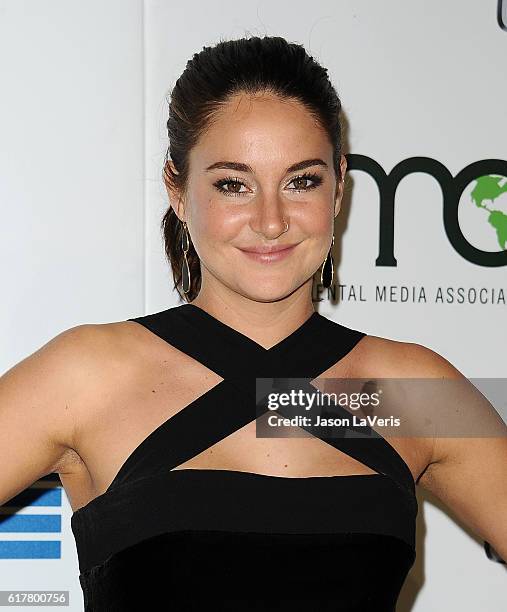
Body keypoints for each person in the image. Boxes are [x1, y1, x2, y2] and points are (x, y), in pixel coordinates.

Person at [1, 35, 506, 611]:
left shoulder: (411, 392)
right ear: (178, 188)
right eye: (232, 184)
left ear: (339, 185)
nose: (270, 221)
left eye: (302, 181)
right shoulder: (88, 375)